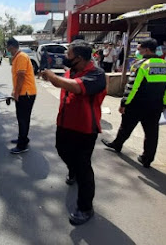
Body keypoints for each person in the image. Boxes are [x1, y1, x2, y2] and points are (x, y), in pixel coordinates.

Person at [41, 40, 107, 226]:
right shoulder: (73, 71)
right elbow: (65, 84)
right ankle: (74, 171)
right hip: (64, 123)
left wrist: (53, 76)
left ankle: (85, 208)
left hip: (85, 128)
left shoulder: (97, 74)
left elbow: (77, 87)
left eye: (68, 56)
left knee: (83, 167)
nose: (65, 59)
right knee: (62, 150)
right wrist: (51, 79)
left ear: (80, 57)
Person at [102, 38, 166, 168]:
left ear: (146, 50)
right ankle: (147, 159)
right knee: (152, 133)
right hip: (156, 106)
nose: (137, 51)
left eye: (139, 49)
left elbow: (132, 87)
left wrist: (124, 103)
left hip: (137, 105)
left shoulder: (141, 65)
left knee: (126, 127)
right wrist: (165, 103)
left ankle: (117, 144)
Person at [7, 38, 37, 154]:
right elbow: (17, 78)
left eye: (8, 47)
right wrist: (14, 91)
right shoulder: (18, 57)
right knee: (23, 118)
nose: (7, 50)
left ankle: (22, 145)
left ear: (11, 47)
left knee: (23, 119)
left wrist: (17, 93)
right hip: (25, 92)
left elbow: (21, 76)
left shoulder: (21, 57)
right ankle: (23, 138)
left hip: (26, 93)